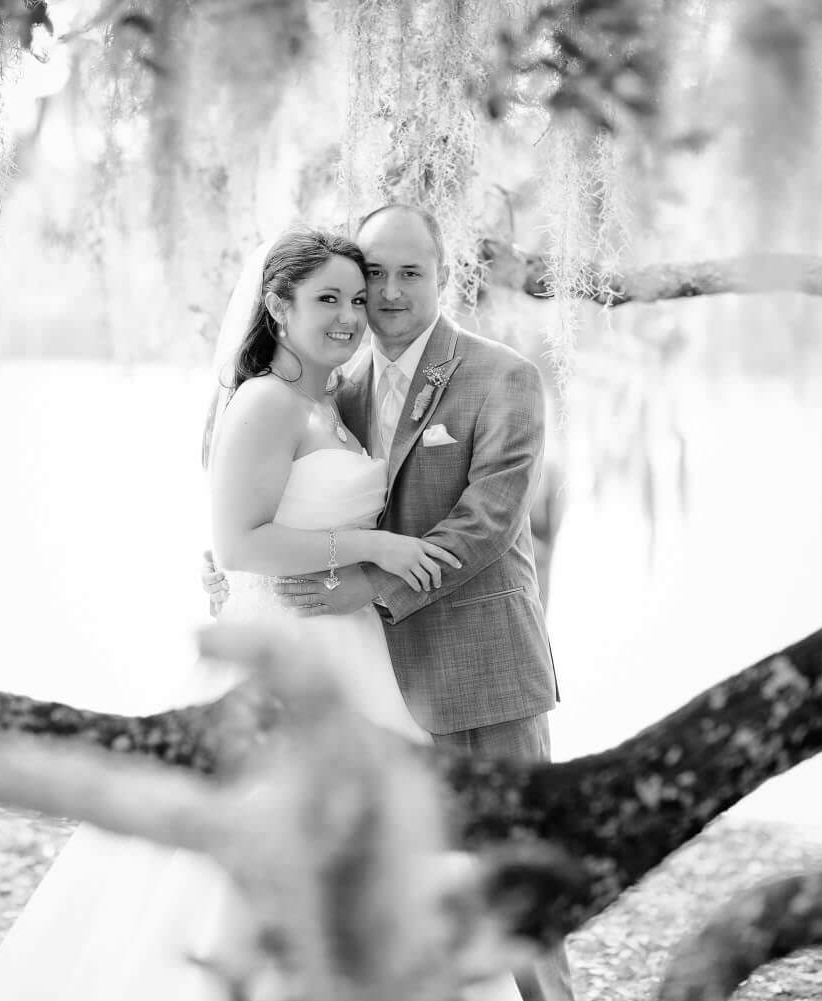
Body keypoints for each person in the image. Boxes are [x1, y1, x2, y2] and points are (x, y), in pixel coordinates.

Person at [0, 229, 520, 1001]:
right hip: (282, 647)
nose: (351, 316)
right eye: (327, 298)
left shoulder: (330, 400)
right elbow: (238, 542)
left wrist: (366, 564)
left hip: (351, 649)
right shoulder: (265, 401)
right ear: (276, 304)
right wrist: (377, 546)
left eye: (357, 299)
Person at [203, 205, 571, 1001]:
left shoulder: (502, 376)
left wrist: (360, 583)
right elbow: (260, 513)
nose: (389, 292)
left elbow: (483, 525)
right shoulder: (341, 385)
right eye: (374, 275)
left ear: (445, 276)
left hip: (484, 668)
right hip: (371, 680)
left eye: (413, 272)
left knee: (519, 876)